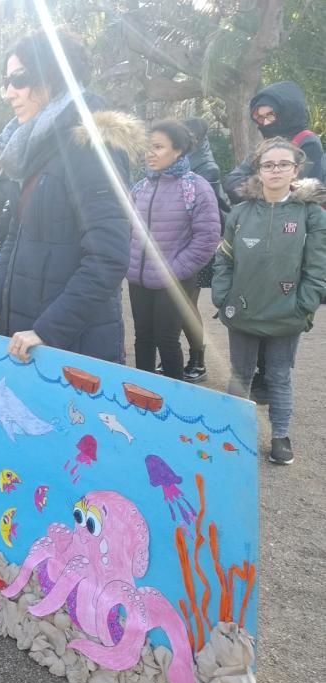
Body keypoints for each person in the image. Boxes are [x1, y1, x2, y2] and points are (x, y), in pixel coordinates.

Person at [0, 29, 146, 363]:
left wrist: (48, 330)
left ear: (54, 75)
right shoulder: (35, 148)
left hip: (69, 346)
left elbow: (108, 257)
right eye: (6, 81)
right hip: (28, 337)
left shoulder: (91, 143)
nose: (9, 92)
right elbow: (16, 236)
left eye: (19, 79)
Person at [212, 138, 326, 466]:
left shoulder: (311, 215)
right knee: (241, 373)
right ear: (258, 170)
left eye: (283, 164)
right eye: (268, 165)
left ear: (296, 169)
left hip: (287, 312)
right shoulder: (240, 212)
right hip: (242, 309)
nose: (275, 170)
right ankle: (232, 433)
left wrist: (304, 304)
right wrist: (222, 296)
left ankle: (280, 436)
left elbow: (317, 266)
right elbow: (224, 259)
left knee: (278, 375)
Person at [127, 120, 220, 380]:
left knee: (167, 340)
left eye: (158, 146)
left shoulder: (195, 187)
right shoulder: (141, 187)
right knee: (143, 338)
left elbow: (208, 238)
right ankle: (142, 395)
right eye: (147, 146)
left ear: (177, 150)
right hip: (139, 279)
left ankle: (173, 401)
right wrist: (130, 262)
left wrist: (173, 271)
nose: (150, 152)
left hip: (175, 281)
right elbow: (127, 230)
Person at [178, 117, 230, 383]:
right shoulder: (186, 163)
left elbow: (202, 217)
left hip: (196, 247)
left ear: (195, 139)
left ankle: (197, 360)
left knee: (187, 305)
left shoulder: (206, 169)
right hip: (175, 244)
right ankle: (179, 358)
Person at [224, 81, 325, 203]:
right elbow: (232, 181)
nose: (265, 123)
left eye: (270, 115)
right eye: (261, 118)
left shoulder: (308, 142)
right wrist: (268, 189)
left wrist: (255, 187)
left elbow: (299, 190)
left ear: (287, 112)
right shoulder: (266, 145)